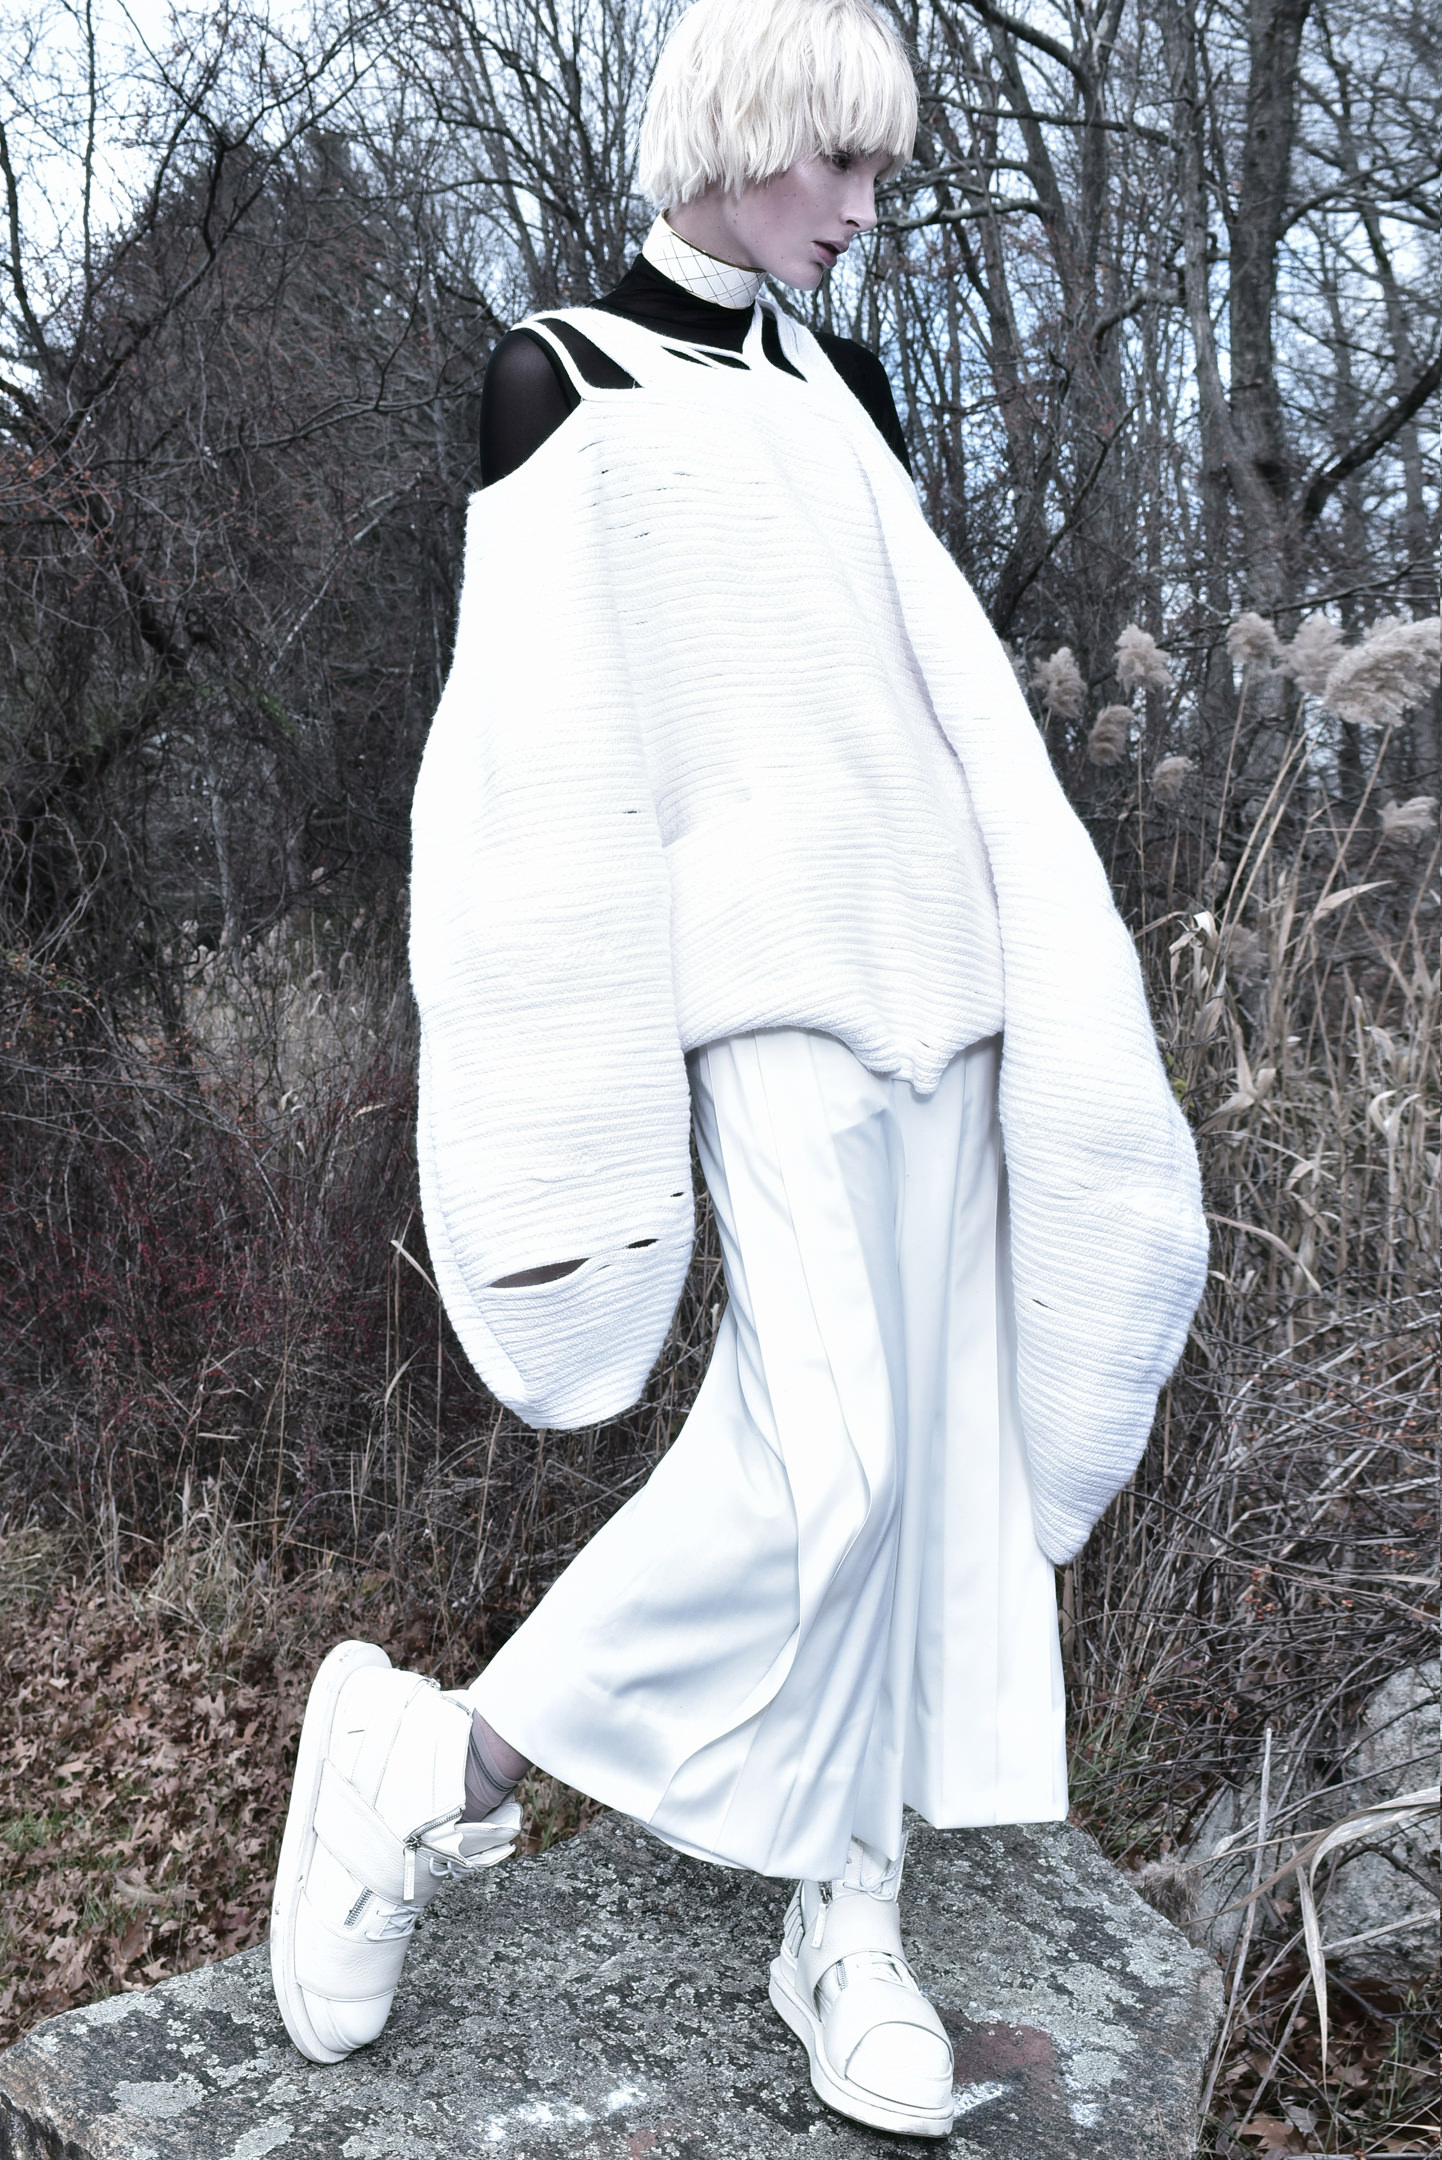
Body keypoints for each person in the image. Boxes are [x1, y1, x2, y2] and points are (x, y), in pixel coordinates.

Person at [268, 0, 1208, 2138]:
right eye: (838, 164)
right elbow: (536, 772)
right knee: (831, 1470)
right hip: (763, 1000)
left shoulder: (842, 391)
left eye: (879, 170)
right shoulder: (558, 379)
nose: (865, 209)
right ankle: (439, 1760)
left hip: (956, 988)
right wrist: (565, 1075)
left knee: (924, 1483)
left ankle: (846, 1922)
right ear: (741, 129)